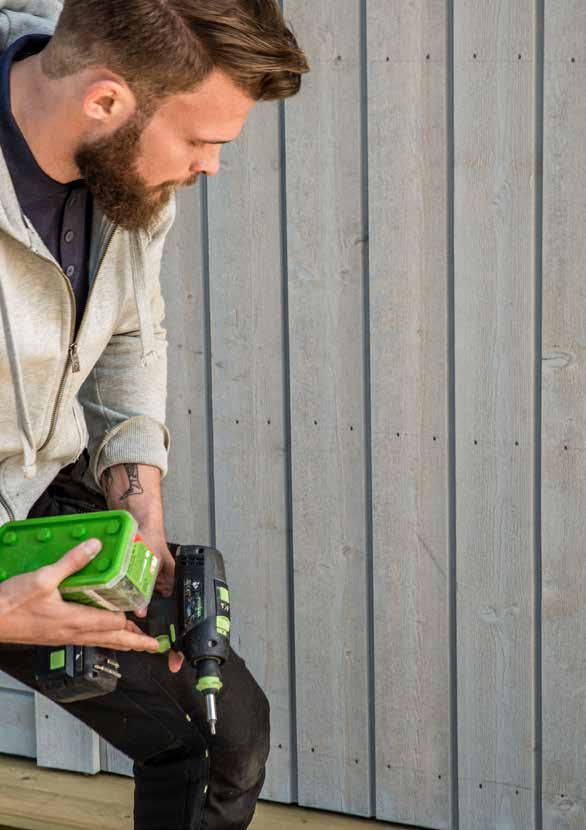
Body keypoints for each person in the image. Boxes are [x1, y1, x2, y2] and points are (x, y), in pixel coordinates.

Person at [0, 1, 309, 828]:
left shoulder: (121, 173)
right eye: (200, 139)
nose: (212, 166)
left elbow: (130, 327)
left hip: (33, 484)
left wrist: (140, 509)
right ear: (105, 100)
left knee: (217, 735)